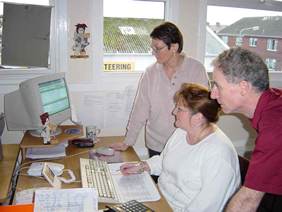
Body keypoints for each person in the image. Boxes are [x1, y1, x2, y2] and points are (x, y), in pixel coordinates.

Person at [120, 83, 241, 211]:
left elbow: (205, 208)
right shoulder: (182, 132)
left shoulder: (219, 155)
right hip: (159, 199)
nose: (173, 112)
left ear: (198, 118)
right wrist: (142, 166)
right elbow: (164, 161)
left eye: (179, 109)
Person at [110, 22, 209, 159]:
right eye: (152, 48)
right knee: (155, 179)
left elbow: (204, 110)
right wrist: (128, 141)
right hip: (156, 144)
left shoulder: (196, 70)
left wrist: (201, 139)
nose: (153, 52)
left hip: (187, 143)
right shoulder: (150, 73)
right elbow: (140, 109)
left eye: (157, 48)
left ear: (174, 47)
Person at [210, 47, 282, 211]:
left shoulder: (275, 127)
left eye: (218, 86)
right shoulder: (272, 102)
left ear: (243, 87)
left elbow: (247, 202)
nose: (212, 94)